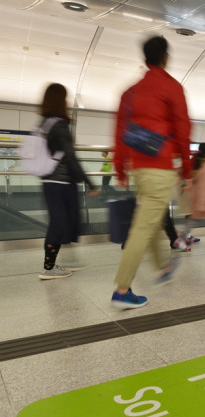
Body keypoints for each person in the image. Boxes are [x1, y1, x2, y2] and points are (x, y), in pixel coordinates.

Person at [111, 36, 192, 308]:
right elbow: (183, 131)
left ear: (145, 58)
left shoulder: (130, 92)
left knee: (153, 217)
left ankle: (161, 269)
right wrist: (188, 170)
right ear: (165, 58)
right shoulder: (172, 87)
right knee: (143, 226)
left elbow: (120, 132)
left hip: (139, 167)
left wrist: (120, 168)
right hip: (160, 166)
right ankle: (122, 290)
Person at [37, 83, 98, 280]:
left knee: (65, 222)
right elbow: (70, 157)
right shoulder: (60, 125)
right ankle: (48, 268)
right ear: (60, 101)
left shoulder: (44, 124)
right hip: (61, 183)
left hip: (49, 182)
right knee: (60, 223)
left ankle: (59, 262)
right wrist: (89, 182)